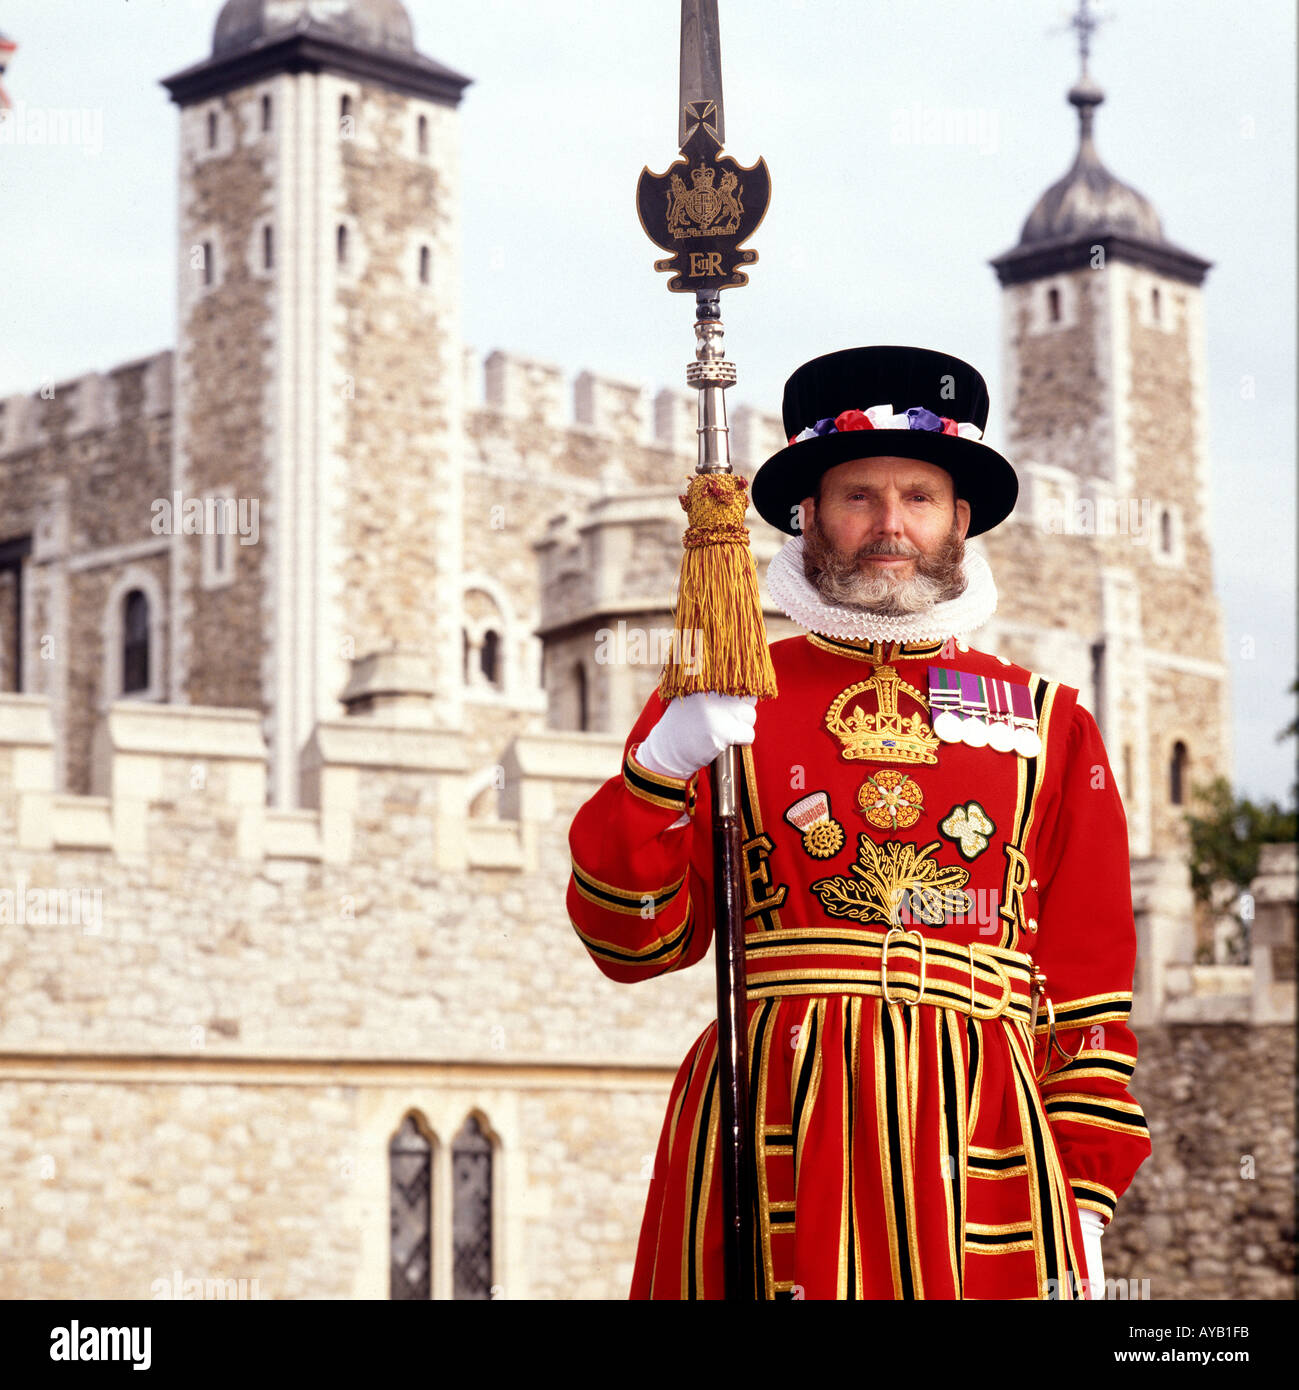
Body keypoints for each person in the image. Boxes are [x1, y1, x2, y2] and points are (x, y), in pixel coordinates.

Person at [566, 345, 1152, 1300]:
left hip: (982, 1139)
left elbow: (1088, 982)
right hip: (773, 1116)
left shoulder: (1052, 722)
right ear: (808, 516)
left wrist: (1084, 1190)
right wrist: (655, 770)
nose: (891, 527)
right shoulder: (719, 691)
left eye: (917, 497)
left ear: (960, 518)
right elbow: (633, 944)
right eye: (858, 497)